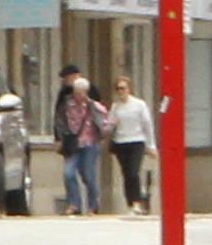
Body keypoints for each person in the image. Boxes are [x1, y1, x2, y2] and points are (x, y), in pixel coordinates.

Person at [55, 69, 109, 214]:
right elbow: (59, 121)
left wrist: (103, 135)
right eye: (76, 92)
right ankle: (74, 204)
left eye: (81, 92)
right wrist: (59, 138)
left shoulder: (94, 106)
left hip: (89, 144)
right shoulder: (66, 105)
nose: (78, 96)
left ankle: (93, 205)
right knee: (68, 173)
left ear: (86, 92)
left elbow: (104, 121)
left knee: (89, 175)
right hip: (72, 145)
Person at [106, 78, 155, 209]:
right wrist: (111, 124)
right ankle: (130, 202)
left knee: (133, 171)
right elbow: (109, 126)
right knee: (126, 173)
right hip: (120, 142)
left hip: (136, 141)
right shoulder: (115, 107)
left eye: (123, 88)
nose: (121, 91)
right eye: (118, 89)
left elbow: (147, 125)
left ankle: (137, 201)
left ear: (129, 89)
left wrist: (151, 145)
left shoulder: (139, 105)